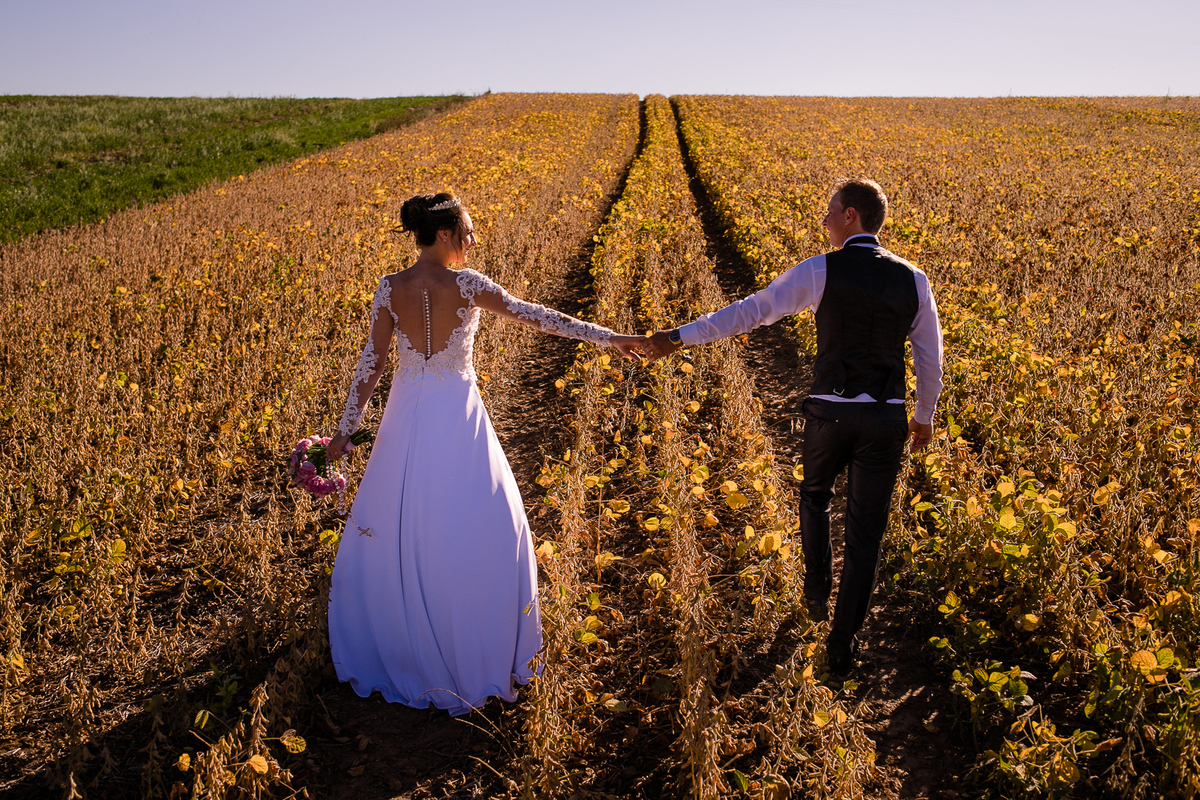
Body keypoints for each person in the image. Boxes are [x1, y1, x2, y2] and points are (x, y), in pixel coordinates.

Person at [324, 192, 646, 714]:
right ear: (446, 234)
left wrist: (345, 432)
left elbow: (371, 366)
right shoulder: (467, 286)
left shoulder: (390, 288)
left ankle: (404, 640)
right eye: (468, 232)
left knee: (403, 521)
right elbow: (538, 317)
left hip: (405, 417)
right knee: (486, 521)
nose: (474, 242)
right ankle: (471, 641)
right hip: (457, 415)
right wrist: (610, 337)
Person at [641, 178, 943, 676]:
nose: (824, 221)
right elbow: (930, 360)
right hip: (885, 418)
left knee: (815, 497)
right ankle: (842, 644)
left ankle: (817, 590)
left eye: (831, 212)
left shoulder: (822, 269)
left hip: (829, 413)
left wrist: (678, 337)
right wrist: (923, 417)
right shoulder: (914, 279)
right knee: (866, 534)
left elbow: (752, 312)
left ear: (851, 216)